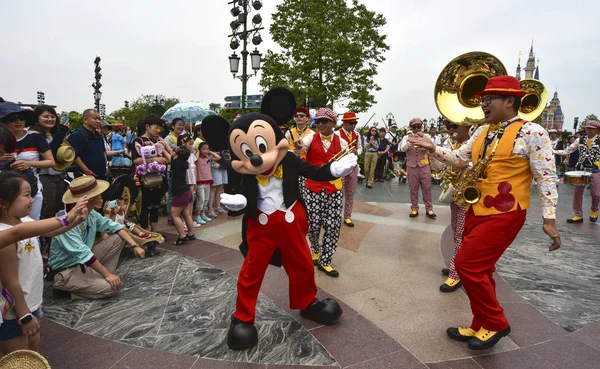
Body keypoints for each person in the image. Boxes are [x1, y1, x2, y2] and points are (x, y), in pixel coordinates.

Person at [409, 75, 561, 350]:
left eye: (489, 99)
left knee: (467, 265)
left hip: (506, 212)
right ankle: (480, 324)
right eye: (483, 99)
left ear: (509, 101)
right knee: (482, 269)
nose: (483, 104)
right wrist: (433, 148)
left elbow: (547, 176)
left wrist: (549, 219)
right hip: (476, 208)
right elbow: (459, 159)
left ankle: (496, 323)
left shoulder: (534, 133)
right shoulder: (482, 132)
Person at [0, 172, 89, 354]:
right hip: (15, 311)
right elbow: (10, 282)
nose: (32, 200)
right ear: (3, 204)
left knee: (32, 352)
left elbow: (50, 232)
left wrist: (75, 221)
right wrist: (24, 316)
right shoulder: (5, 234)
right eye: (26, 195)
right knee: (17, 359)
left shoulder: (25, 219)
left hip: (32, 302)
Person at [49, 176, 146, 300]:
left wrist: (134, 246)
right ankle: (64, 290)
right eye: (98, 192)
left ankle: (99, 277)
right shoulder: (67, 220)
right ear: (89, 198)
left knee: (118, 238)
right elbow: (83, 253)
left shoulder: (92, 214)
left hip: (83, 264)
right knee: (110, 288)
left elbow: (116, 227)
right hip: (67, 271)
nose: (102, 195)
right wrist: (107, 274)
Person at [294, 108, 348, 277]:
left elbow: (346, 163)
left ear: (332, 122)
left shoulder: (342, 141)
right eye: (317, 121)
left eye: (324, 121)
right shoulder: (310, 137)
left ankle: (326, 260)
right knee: (313, 224)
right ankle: (315, 250)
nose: (320, 124)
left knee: (333, 225)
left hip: (334, 188)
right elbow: (303, 147)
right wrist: (299, 146)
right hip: (313, 187)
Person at [0, 102, 55, 221]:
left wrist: (28, 163)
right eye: (12, 118)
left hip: (31, 188)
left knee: (31, 223)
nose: (18, 121)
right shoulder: (2, 141)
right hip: (4, 191)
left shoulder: (35, 138)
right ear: (3, 121)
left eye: (21, 117)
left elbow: (51, 162)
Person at [439, 120, 473, 293]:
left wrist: (465, 164)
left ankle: (456, 273)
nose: (451, 130)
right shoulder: (456, 145)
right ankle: (457, 265)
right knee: (456, 232)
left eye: (454, 127)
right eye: (449, 127)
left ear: (467, 127)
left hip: (468, 196)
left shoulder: (475, 143)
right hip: (456, 194)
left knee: (461, 235)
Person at [553, 120, 600, 223]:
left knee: (596, 193)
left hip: (595, 170)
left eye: (591, 129)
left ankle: (594, 209)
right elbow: (567, 151)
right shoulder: (580, 139)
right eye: (587, 128)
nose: (589, 130)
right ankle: (578, 214)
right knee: (577, 193)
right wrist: (552, 151)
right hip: (581, 170)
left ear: (597, 129)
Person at [30, 105, 71, 219]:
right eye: (45, 116)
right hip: (44, 177)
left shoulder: (52, 134)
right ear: (36, 118)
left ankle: (56, 236)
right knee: (47, 210)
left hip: (58, 176)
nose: (50, 119)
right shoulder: (34, 135)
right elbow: (48, 154)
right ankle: (45, 236)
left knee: (59, 210)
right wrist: (61, 133)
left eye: (53, 116)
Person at [132, 115, 171, 231]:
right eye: (156, 127)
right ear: (147, 127)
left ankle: (155, 232)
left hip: (159, 178)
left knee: (155, 206)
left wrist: (164, 145)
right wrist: (154, 160)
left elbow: (169, 159)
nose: (158, 130)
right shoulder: (139, 141)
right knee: (146, 206)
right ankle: (146, 232)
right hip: (145, 179)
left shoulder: (157, 141)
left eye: (160, 128)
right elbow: (135, 160)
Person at [400, 118, 435, 219]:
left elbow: (432, 148)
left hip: (424, 165)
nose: (416, 129)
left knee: (427, 188)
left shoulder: (427, 137)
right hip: (412, 166)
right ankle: (414, 208)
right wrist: (409, 142)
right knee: (413, 188)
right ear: (411, 128)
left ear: (421, 127)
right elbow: (402, 149)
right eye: (414, 127)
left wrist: (422, 141)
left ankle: (429, 209)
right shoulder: (406, 137)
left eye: (418, 127)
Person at [336, 112, 363, 227]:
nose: (353, 125)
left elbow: (360, 147)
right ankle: (336, 215)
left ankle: (347, 216)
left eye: (355, 123)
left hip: (352, 166)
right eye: (351, 123)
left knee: (350, 193)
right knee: (337, 193)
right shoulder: (336, 134)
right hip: (340, 167)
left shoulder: (357, 135)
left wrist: (358, 152)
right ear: (344, 123)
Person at [67, 109, 107, 180]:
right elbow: (75, 156)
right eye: (95, 118)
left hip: (102, 175)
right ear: (85, 119)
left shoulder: (98, 135)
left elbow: (103, 151)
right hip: (85, 177)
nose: (98, 121)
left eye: (99, 119)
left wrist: (106, 166)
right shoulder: (77, 134)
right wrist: (86, 171)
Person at [170, 145, 197, 244]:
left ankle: (182, 236)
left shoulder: (176, 163)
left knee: (174, 215)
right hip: (187, 191)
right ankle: (191, 233)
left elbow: (170, 156)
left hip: (180, 192)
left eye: (176, 150)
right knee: (186, 214)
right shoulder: (183, 162)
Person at [195, 142, 221, 224]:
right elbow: (194, 160)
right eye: (203, 149)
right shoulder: (197, 158)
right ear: (200, 149)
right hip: (199, 181)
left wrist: (210, 152)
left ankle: (203, 214)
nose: (205, 151)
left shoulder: (209, 158)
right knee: (201, 199)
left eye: (207, 149)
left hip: (208, 181)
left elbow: (218, 157)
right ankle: (197, 215)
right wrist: (198, 152)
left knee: (206, 199)